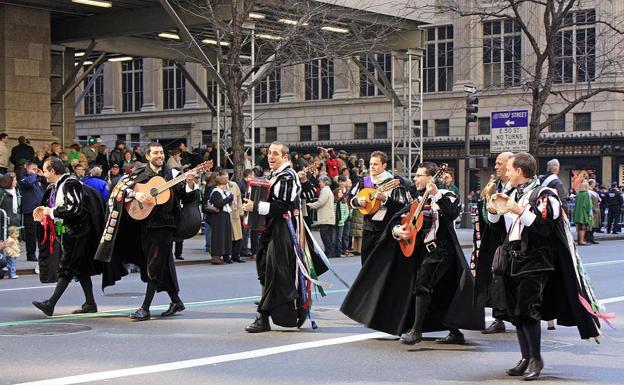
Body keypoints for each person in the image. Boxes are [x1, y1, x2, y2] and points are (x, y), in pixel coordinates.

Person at [485, 152, 601, 380]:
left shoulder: (545, 195)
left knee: (528, 310)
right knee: (515, 311)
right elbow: (497, 228)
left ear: (519, 171)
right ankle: (525, 357)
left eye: (508, 169)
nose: (505, 173)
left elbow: (545, 228)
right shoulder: (509, 192)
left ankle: (536, 359)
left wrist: (519, 210)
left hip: (535, 260)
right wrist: (493, 211)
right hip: (511, 258)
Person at [341, 162, 484, 345]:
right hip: (420, 251)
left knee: (422, 286)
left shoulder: (447, 195)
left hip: (441, 251)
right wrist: (397, 230)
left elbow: (451, 213)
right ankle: (454, 331)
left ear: (431, 178)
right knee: (441, 291)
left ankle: (416, 331)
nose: (415, 178)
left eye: (419, 175)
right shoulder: (416, 200)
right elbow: (398, 218)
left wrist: (435, 195)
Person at [96, 142, 198, 321]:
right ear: (148, 156)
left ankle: (145, 307)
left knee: (154, 264)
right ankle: (176, 301)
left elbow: (187, 197)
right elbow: (118, 191)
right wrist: (136, 195)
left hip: (166, 226)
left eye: (162, 153)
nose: (160, 156)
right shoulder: (139, 174)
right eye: (156, 153)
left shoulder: (172, 174)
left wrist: (190, 183)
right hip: (144, 225)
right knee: (159, 263)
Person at [242, 141, 306, 332]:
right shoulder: (274, 175)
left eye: (276, 154)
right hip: (272, 228)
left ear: (285, 157)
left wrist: (256, 207)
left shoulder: (287, 176)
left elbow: (283, 207)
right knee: (266, 270)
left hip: (283, 230)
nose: (271, 156)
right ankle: (293, 309)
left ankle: (263, 318)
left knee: (275, 273)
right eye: (269, 153)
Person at [32, 157, 106, 316]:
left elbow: (74, 209)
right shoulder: (58, 185)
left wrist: (50, 212)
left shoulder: (70, 183)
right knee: (81, 269)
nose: (44, 175)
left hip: (77, 232)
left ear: (52, 170)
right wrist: (46, 212)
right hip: (69, 231)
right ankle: (90, 303)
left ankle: (50, 304)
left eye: (45, 171)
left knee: (66, 267)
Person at [474, 152, 514, 335]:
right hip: (495, 239)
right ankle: (498, 317)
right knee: (495, 276)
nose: (495, 167)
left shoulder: (516, 188)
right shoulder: (497, 185)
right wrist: (487, 200)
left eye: (499, 164)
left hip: (511, 239)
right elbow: (488, 217)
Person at [349, 151, 409, 264]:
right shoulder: (363, 181)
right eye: (371, 164)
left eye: (375, 164)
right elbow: (351, 199)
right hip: (368, 230)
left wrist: (385, 200)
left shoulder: (394, 182)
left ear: (384, 165)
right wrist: (358, 201)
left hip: (388, 230)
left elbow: (402, 206)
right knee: (366, 264)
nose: (372, 166)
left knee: (384, 265)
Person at [19, 162, 46, 262]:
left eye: (36, 169)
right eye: (33, 169)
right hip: (30, 211)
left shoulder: (37, 178)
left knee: (41, 233)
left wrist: (42, 175)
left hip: (41, 210)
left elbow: (46, 183)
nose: (36, 170)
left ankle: (42, 254)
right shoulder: (23, 178)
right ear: (27, 169)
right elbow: (28, 183)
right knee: (31, 234)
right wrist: (33, 174)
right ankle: (31, 255)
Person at [306, 176, 335, 258]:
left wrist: (309, 205)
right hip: (328, 217)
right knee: (327, 235)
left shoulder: (325, 190)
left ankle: (329, 252)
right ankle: (328, 251)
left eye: (320, 182)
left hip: (325, 217)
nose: (319, 183)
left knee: (324, 235)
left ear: (325, 182)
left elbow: (320, 202)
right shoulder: (328, 190)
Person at [208, 175, 234, 264]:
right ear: (219, 184)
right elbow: (218, 204)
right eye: (223, 185)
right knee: (218, 237)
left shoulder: (221, 192)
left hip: (224, 216)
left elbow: (225, 203)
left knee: (225, 236)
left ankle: (226, 255)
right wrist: (228, 198)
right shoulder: (216, 192)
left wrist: (229, 199)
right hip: (218, 217)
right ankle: (216, 257)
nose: (224, 186)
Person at [573, 180, 593, 245]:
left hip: (578, 212)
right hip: (583, 213)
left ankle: (579, 240)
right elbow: (588, 205)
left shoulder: (578, 194)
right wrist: (590, 212)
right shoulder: (586, 194)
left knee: (579, 227)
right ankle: (581, 240)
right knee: (583, 227)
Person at [587, 179, 601, 244]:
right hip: (592, 211)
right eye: (594, 183)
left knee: (595, 225)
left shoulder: (593, 191)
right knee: (591, 224)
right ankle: (588, 238)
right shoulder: (588, 192)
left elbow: (599, 199)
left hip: (596, 210)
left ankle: (591, 238)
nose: (595, 184)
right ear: (591, 183)